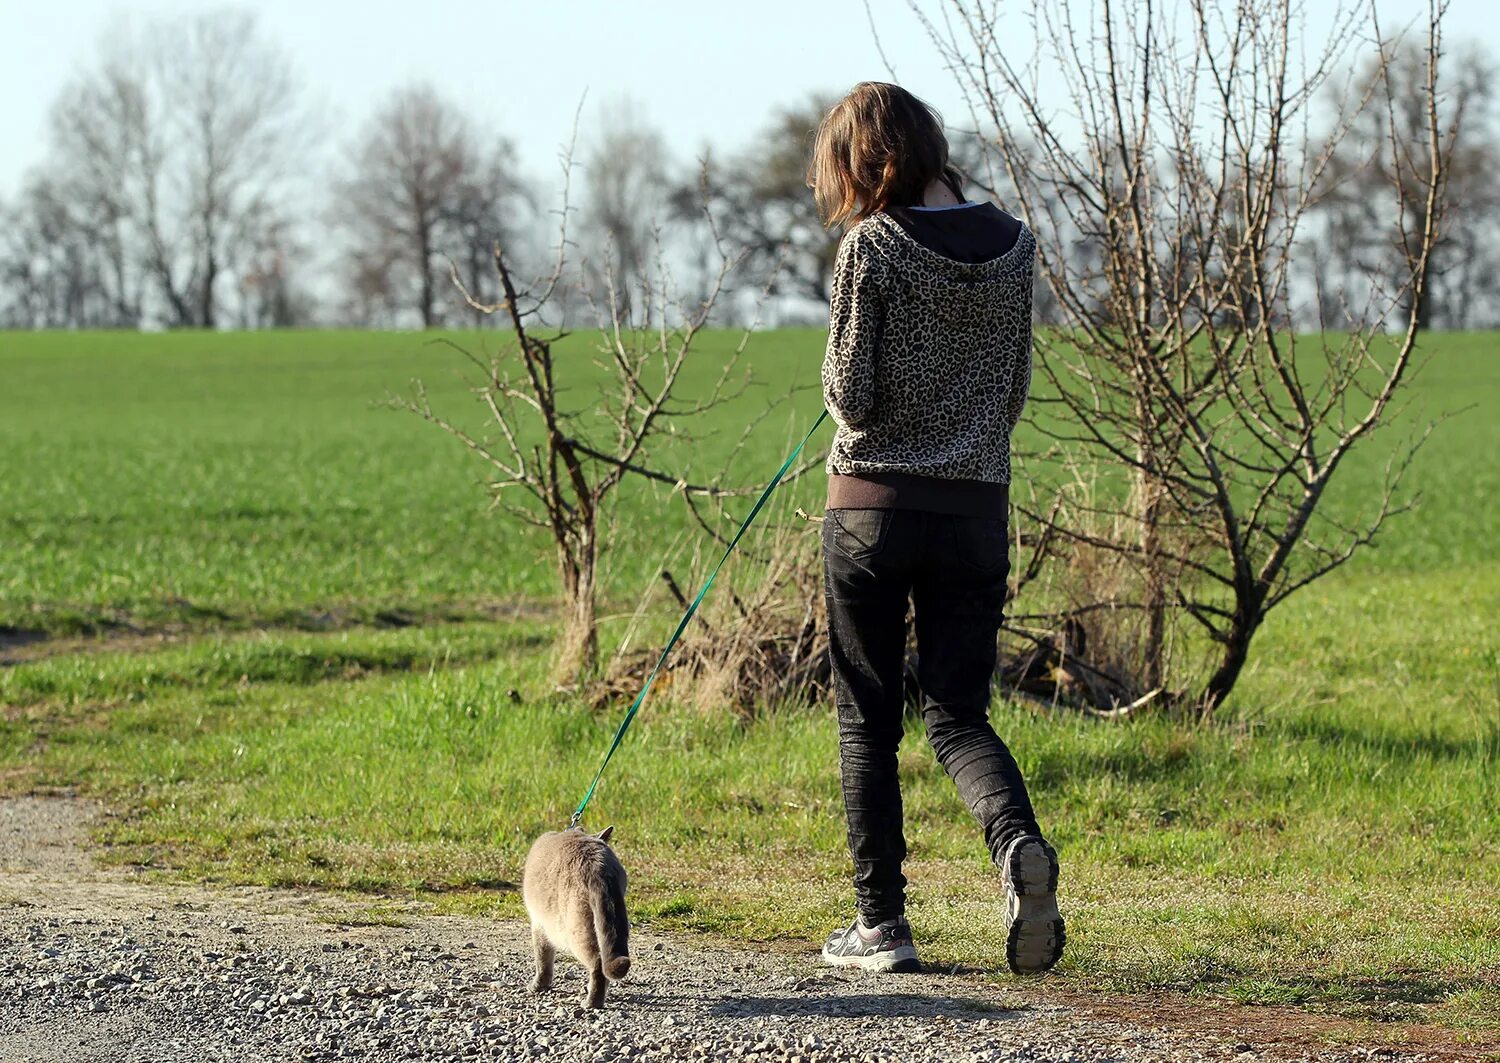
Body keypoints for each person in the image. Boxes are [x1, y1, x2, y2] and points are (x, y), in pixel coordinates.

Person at [807, 82, 1064, 976]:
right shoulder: (1016, 244)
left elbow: (850, 394)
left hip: (871, 511)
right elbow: (1014, 394)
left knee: (867, 723)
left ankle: (882, 928)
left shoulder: (869, 245)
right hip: (973, 515)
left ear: (862, 159)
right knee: (958, 714)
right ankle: (1018, 848)